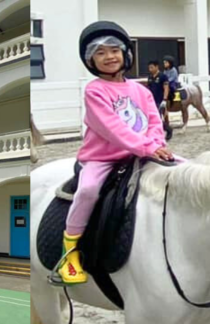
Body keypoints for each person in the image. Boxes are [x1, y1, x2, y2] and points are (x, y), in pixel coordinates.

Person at [58, 21, 172, 286]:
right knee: (87, 191)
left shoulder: (141, 91)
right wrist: (147, 147)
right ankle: (70, 251)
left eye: (114, 50)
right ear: (91, 60)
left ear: (125, 54)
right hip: (101, 158)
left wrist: (157, 144)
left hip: (142, 153)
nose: (109, 56)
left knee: (184, 169)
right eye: (100, 53)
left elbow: (155, 121)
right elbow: (113, 129)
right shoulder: (95, 90)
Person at [146, 60, 173, 140]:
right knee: (154, 118)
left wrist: (164, 99)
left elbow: (166, 88)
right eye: (149, 68)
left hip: (160, 100)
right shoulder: (150, 77)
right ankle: (165, 129)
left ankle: (168, 129)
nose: (150, 69)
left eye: (152, 67)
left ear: (157, 67)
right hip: (152, 101)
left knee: (157, 117)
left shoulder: (163, 76)